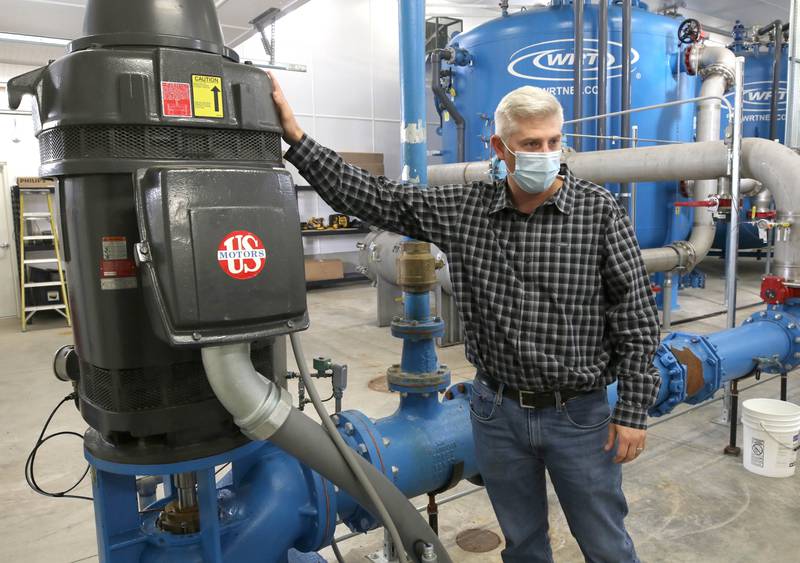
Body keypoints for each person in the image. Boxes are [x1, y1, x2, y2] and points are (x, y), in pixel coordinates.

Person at [270, 73, 660, 563]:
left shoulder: (599, 212)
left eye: (554, 141)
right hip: (497, 413)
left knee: (605, 543)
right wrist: (298, 140)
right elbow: (374, 196)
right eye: (530, 143)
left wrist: (632, 410)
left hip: (577, 414)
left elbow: (636, 315)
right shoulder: (466, 209)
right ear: (499, 146)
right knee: (522, 544)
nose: (545, 153)